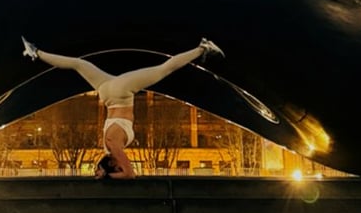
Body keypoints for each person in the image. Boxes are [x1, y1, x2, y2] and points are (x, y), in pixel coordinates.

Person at [21, 36, 224, 176]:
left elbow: (130, 174)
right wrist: (101, 173)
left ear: (112, 163)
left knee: (164, 69)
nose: (122, 161)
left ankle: (203, 47)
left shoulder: (113, 145)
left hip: (119, 93)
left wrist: (110, 175)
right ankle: (36, 52)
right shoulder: (106, 142)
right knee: (78, 64)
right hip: (107, 92)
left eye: (115, 165)